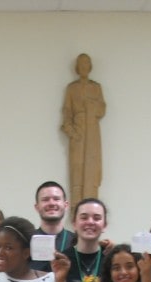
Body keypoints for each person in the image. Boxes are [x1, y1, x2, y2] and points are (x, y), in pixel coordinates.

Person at [61, 53, 105, 204]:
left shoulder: (96, 87)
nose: (84, 67)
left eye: (87, 64)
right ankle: (77, 207)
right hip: (79, 131)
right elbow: (67, 112)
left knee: (92, 169)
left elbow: (102, 109)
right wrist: (72, 132)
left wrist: (92, 107)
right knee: (77, 169)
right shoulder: (72, 89)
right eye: (81, 64)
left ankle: (92, 204)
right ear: (77, 67)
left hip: (93, 131)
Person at [59, 198, 108, 282]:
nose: (90, 222)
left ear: (104, 225)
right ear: (74, 224)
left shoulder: (111, 259)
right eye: (84, 217)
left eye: (97, 218)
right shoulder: (61, 261)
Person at [32, 181, 76, 266]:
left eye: (56, 199)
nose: (51, 203)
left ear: (66, 205)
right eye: (45, 200)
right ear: (37, 207)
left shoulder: (77, 242)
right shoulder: (26, 241)